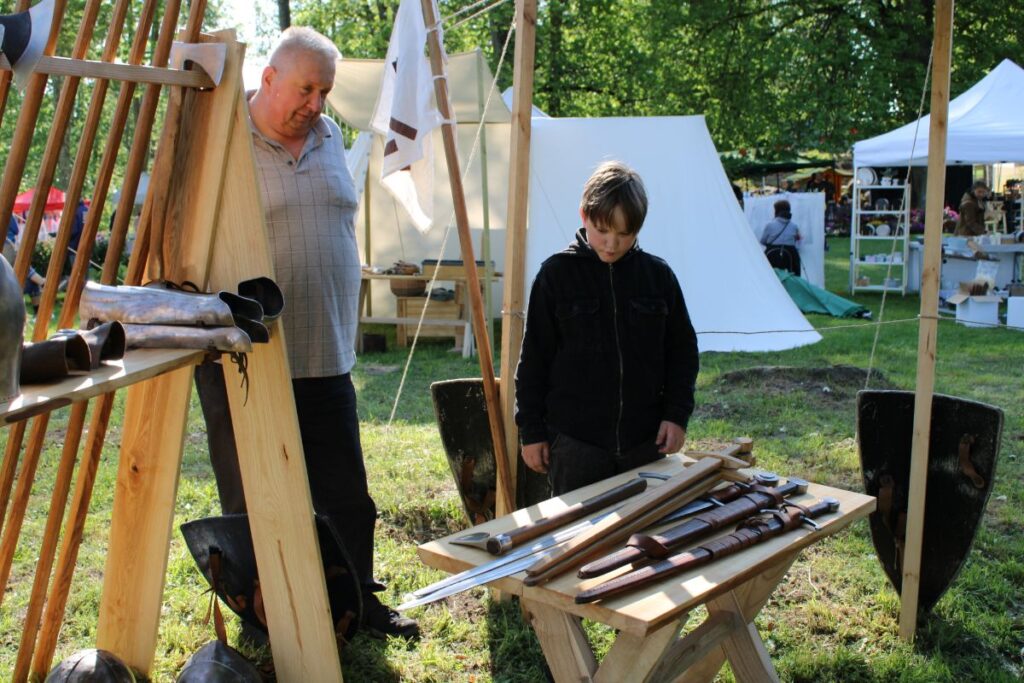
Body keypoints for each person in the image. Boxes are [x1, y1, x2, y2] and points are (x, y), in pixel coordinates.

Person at [195, 27, 418, 641]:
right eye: (305, 89)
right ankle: (262, 614)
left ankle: (356, 603)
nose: (317, 103)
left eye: (324, 91)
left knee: (346, 496)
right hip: (245, 360)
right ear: (268, 78)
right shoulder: (223, 141)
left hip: (325, 351)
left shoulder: (329, 137)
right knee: (252, 495)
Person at [514, 161, 699, 496]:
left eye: (624, 234)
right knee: (579, 529)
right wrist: (531, 431)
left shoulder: (658, 277)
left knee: (645, 525)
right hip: (575, 445)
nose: (612, 244)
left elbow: (683, 353)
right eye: (602, 231)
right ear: (584, 215)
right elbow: (533, 361)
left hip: (645, 441)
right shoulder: (555, 275)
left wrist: (676, 415)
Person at [5, 215, 46, 310]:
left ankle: (37, 313)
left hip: (7, 248)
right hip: (8, 246)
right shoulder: (8, 213)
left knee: (31, 283)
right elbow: (16, 230)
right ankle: (42, 282)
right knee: (23, 267)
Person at [760, 199, 801, 276]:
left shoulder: (770, 225)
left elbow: (762, 241)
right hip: (790, 254)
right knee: (795, 273)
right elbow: (797, 241)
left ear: (776, 211)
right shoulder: (794, 226)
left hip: (772, 254)